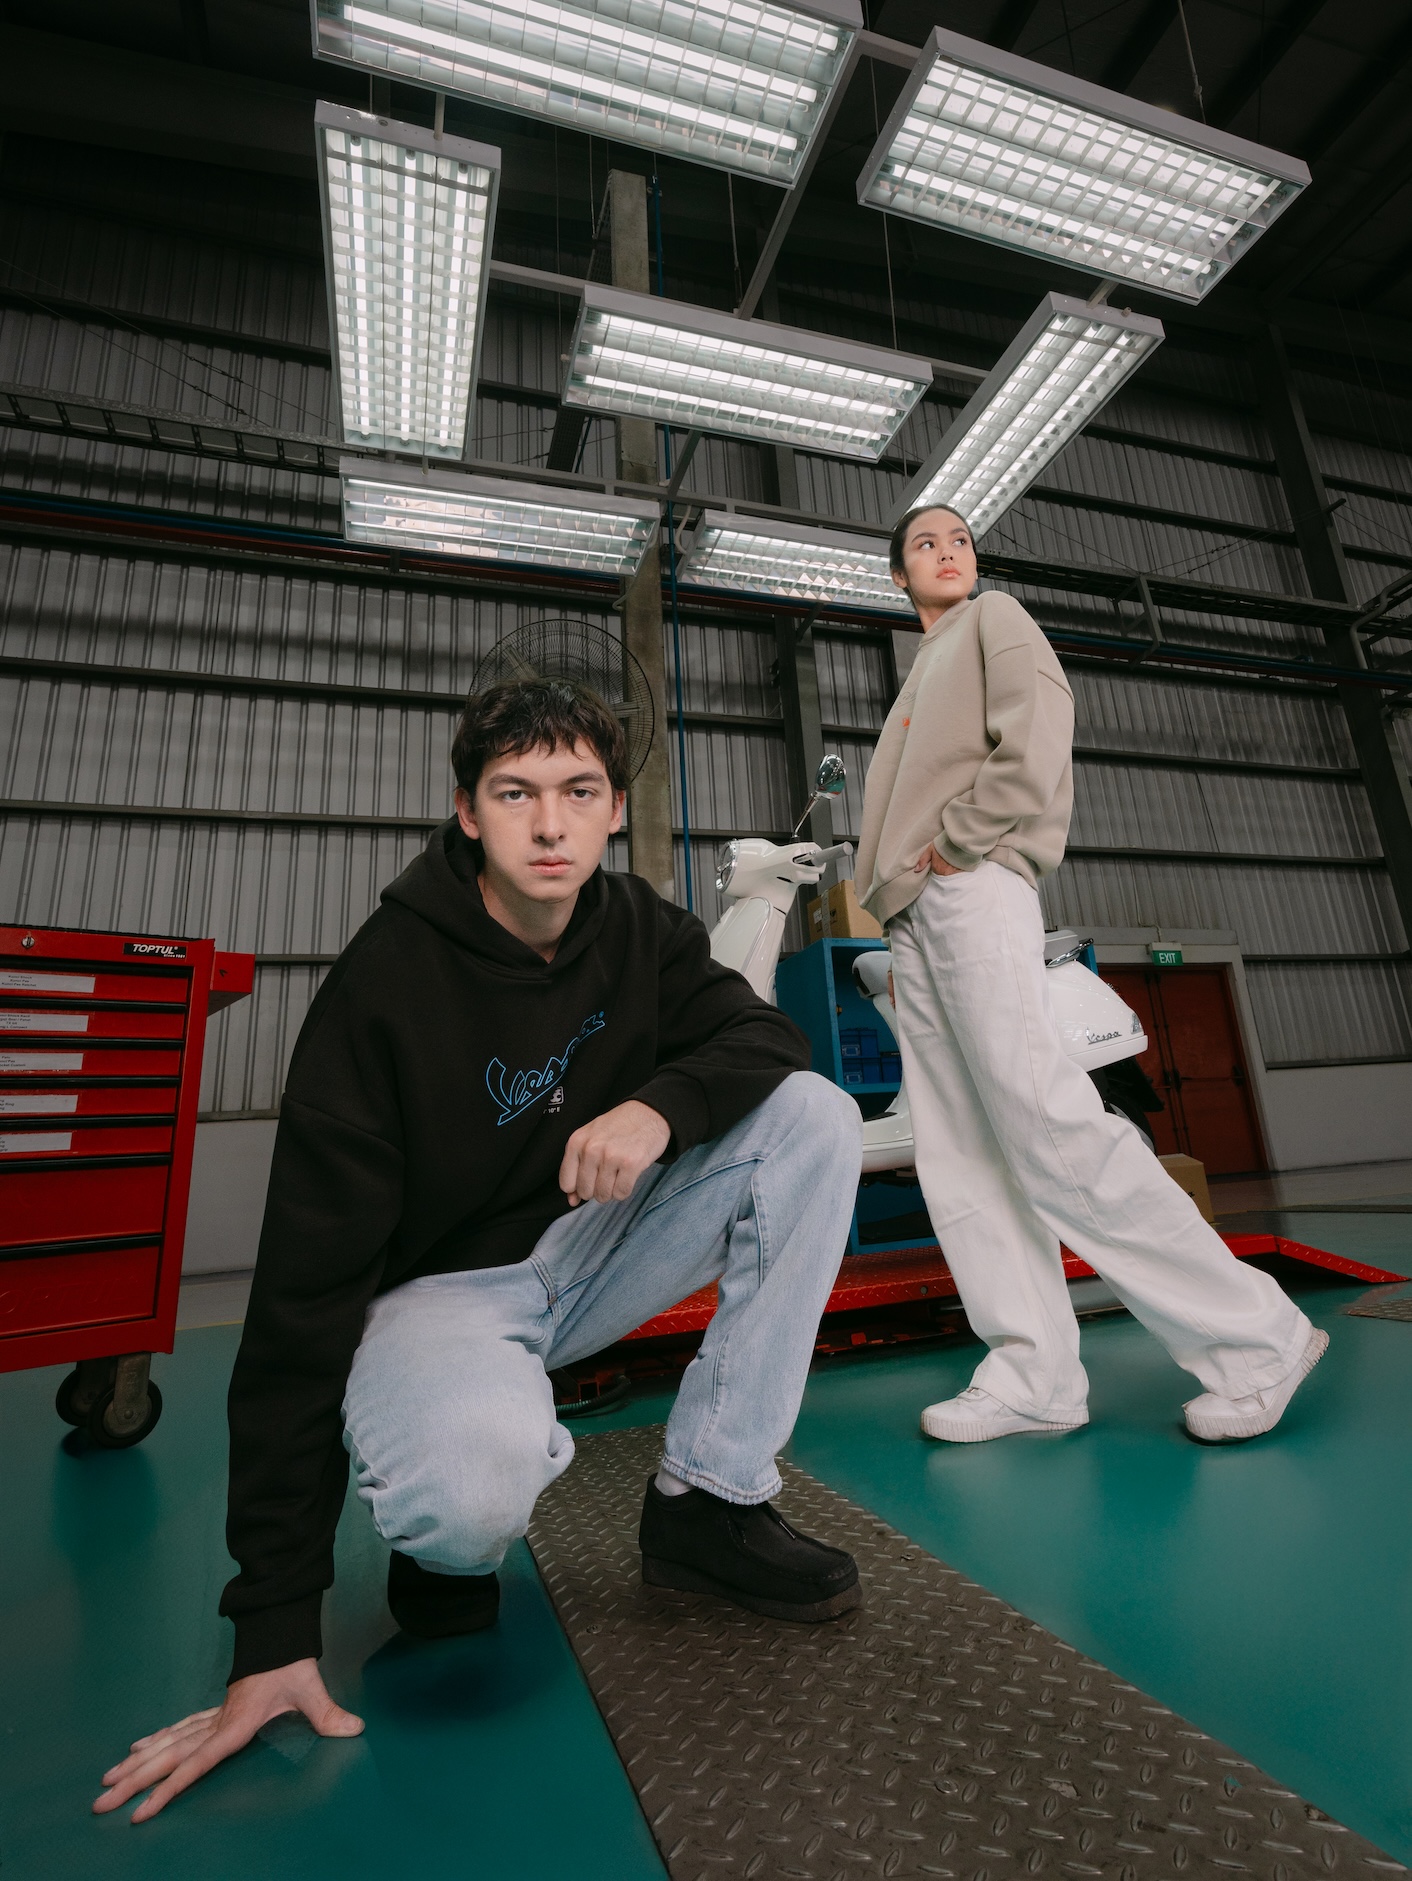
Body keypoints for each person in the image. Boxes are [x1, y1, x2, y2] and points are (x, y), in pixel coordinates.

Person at [96, 678, 863, 1824]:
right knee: (464, 1501)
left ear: (613, 811)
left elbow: (764, 1032)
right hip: (440, 1295)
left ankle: (707, 1499)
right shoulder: (382, 989)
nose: (550, 825)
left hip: (586, 1250)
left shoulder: (636, 928)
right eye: (515, 794)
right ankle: (443, 1547)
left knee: (812, 1117)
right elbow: (300, 1313)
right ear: (466, 811)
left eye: (578, 792)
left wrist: (659, 1107)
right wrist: (272, 1632)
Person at [855, 505, 1325, 1448]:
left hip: (970, 883)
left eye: (959, 539)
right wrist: (901, 904)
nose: (948, 551)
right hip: (916, 913)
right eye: (925, 544)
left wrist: (957, 846)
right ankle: (1032, 1375)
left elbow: (1037, 734)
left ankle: (1258, 1341)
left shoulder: (995, 619)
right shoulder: (921, 671)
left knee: (1047, 1121)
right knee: (960, 1153)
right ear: (898, 576)